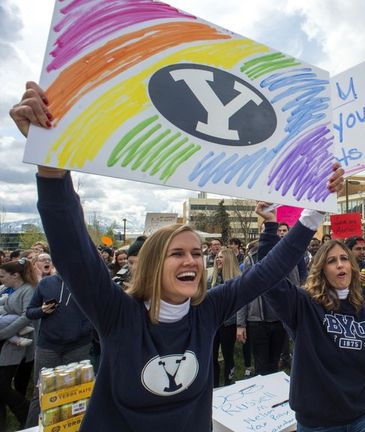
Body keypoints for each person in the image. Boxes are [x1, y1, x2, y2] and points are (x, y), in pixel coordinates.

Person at [9, 81, 344, 431]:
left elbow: (267, 271)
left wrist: (315, 212)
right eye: (178, 253)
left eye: (197, 253)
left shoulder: (208, 311)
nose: (192, 261)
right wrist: (50, 166)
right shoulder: (117, 314)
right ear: (154, 264)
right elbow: (73, 249)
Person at [258, 206, 365, 431]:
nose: (340, 264)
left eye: (344, 258)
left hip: (362, 417)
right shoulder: (304, 305)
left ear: (352, 268)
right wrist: (269, 228)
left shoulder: (362, 309)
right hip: (319, 422)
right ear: (321, 269)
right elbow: (269, 278)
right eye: (332, 261)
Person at [24, 273, 94, 427]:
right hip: (48, 346)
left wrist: (83, 329)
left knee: (77, 391)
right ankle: (32, 428)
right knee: (41, 391)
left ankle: (76, 426)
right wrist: (42, 310)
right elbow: (30, 312)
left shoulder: (88, 282)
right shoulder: (46, 283)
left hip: (78, 346)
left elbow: (98, 312)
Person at [0, 259, 37, 429]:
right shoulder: (14, 290)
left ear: (15, 275)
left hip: (18, 346)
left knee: (3, 385)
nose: (1, 279)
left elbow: (26, 316)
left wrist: (4, 333)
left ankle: (27, 413)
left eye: (3, 276)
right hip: (10, 344)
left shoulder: (27, 290)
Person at [208, 248, 240, 387]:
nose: (218, 259)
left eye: (221, 257)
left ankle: (228, 382)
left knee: (228, 355)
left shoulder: (237, 280)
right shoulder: (211, 279)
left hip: (229, 324)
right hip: (214, 324)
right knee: (212, 355)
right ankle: (213, 385)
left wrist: (240, 325)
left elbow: (241, 304)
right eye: (217, 257)